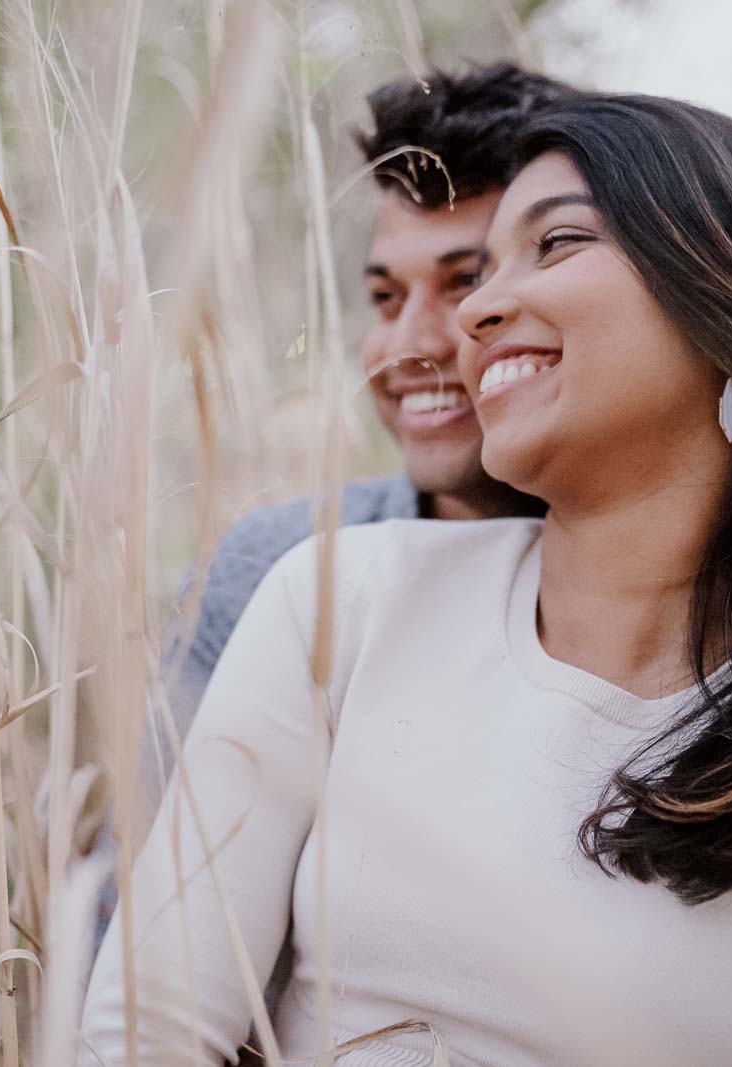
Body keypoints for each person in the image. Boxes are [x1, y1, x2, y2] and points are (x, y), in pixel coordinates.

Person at [81, 92, 732, 1067]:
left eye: (557, 243)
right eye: (483, 270)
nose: (474, 316)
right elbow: (145, 1032)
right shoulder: (335, 595)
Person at [157, 63, 567, 753]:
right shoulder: (266, 568)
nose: (406, 346)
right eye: (386, 297)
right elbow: (150, 852)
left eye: (467, 283)